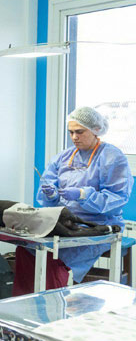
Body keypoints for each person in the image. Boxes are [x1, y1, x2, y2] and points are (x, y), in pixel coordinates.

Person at [14, 106, 133, 295]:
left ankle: (55, 302)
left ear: (95, 130)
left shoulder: (113, 158)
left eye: (79, 132)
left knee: (56, 255)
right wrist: (51, 195)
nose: (74, 137)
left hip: (97, 225)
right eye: (71, 132)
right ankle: (27, 301)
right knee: (27, 249)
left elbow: (116, 199)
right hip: (64, 222)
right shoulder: (64, 157)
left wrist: (83, 195)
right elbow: (48, 191)